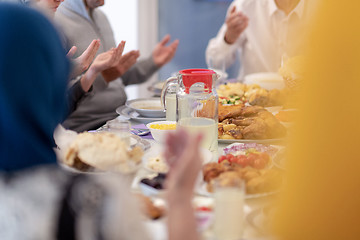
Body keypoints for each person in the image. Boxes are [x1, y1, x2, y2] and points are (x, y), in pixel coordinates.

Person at [0, 3, 201, 240]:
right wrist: (180, 199)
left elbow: (116, 77)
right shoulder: (95, 202)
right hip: (91, 132)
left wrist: (148, 64)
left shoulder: (100, 19)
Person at [55, 0, 179, 132]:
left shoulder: (101, 17)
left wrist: (152, 62)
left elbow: (117, 77)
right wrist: (104, 77)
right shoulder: (56, 23)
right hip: (89, 126)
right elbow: (61, 96)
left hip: (120, 117)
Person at [206, 0, 308, 80]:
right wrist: (229, 38)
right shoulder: (246, 5)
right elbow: (214, 62)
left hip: (304, 99)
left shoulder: (319, 9)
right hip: (249, 100)